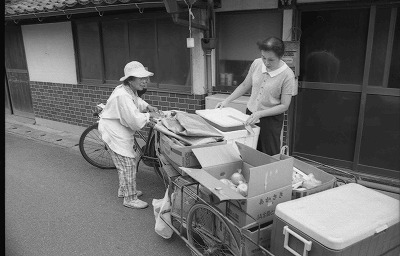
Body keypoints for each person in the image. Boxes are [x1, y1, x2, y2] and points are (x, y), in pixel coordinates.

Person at [216, 37, 296, 156]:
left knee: (268, 154)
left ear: (281, 56)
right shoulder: (257, 63)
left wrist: (260, 114)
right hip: (251, 114)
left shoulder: (287, 75)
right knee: (249, 150)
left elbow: (284, 105)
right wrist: (226, 101)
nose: (266, 62)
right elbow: (244, 85)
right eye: (263, 57)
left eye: (271, 60)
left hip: (270, 120)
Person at [98, 61, 162, 209]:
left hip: (120, 131)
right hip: (114, 133)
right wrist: (149, 116)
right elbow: (134, 120)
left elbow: (137, 101)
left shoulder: (128, 90)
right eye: (141, 78)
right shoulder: (122, 95)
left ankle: (124, 190)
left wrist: (147, 107)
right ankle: (130, 199)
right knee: (127, 164)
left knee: (126, 164)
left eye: (145, 78)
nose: (145, 81)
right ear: (130, 79)